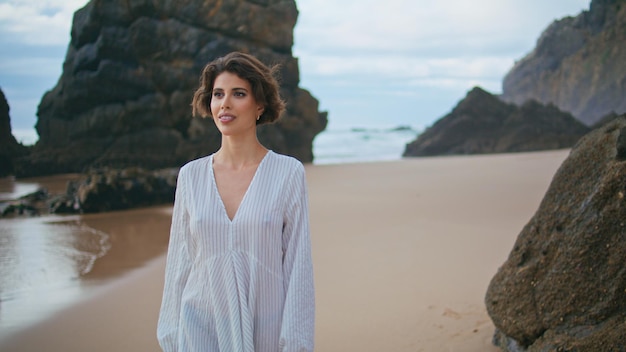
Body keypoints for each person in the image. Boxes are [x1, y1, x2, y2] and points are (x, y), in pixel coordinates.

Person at [157, 52, 315, 352]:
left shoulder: (288, 173)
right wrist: (171, 338)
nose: (225, 103)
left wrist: (295, 344)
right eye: (218, 94)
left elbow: (298, 268)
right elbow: (180, 265)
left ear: (260, 105)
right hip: (199, 331)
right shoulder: (191, 177)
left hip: (265, 334)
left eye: (238, 94)